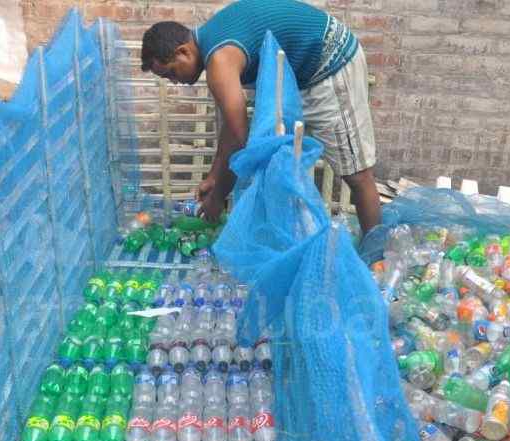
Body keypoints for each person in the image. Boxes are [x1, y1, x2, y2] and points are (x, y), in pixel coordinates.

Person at [140, 0, 386, 261]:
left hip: (329, 64)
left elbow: (239, 137)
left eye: (171, 73)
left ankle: (376, 261)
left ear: (183, 52)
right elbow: (232, 125)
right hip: (300, 75)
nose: (175, 82)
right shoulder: (211, 40)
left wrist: (218, 198)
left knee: (357, 175)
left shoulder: (219, 60)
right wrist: (214, 176)